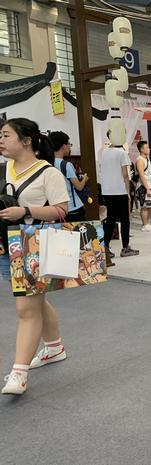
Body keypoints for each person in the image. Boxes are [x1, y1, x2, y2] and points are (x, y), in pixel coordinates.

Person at [0, 118, 69, 395]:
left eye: (6, 135)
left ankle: (19, 373)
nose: (1, 140)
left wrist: (25, 211)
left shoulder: (48, 173)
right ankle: (54, 347)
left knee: (25, 308)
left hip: (32, 246)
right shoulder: (4, 169)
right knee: (35, 300)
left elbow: (61, 210)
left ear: (26, 140)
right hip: (5, 245)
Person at [99, 132, 139, 264]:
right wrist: (127, 192)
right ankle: (125, 247)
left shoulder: (104, 152)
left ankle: (105, 247)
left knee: (110, 220)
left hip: (107, 191)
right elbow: (125, 175)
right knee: (124, 219)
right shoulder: (121, 153)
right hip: (120, 190)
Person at [49, 131, 88, 222]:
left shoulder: (47, 164)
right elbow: (79, 187)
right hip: (73, 207)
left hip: (56, 209)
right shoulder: (66, 165)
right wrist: (84, 179)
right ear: (63, 146)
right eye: (69, 144)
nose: (70, 147)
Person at [135, 141, 151, 232]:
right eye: (147, 147)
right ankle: (145, 224)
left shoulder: (146, 159)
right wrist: (147, 188)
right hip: (143, 186)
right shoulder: (140, 160)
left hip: (150, 185)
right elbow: (141, 175)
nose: (149, 149)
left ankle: (147, 223)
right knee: (144, 206)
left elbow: (149, 174)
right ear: (141, 149)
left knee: (149, 206)